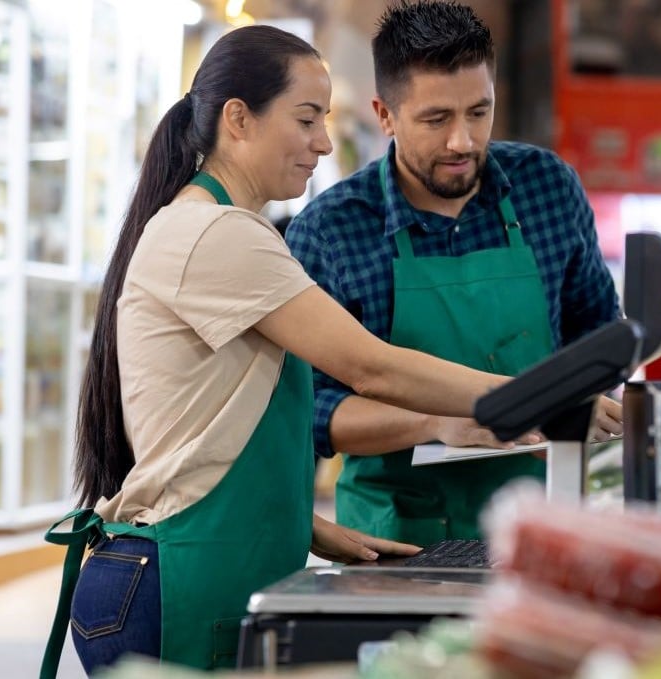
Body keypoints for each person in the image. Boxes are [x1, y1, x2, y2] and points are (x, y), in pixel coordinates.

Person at [40, 25, 515, 677]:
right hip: (179, 577)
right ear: (239, 118)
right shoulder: (217, 233)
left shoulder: (215, 226)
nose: (323, 140)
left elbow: (205, 424)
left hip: (184, 564)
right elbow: (367, 365)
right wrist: (529, 397)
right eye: (306, 118)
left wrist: (303, 523)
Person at [285, 0, 622, 548]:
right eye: (436, 119)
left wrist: (584, 398)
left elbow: (600, 331)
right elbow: (311, 411)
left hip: (548, 523)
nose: (463, 141)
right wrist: (435, 422)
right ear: (385, 115)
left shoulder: (548, 188)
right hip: (397, 541)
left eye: (478, 112)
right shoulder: (331, 231)